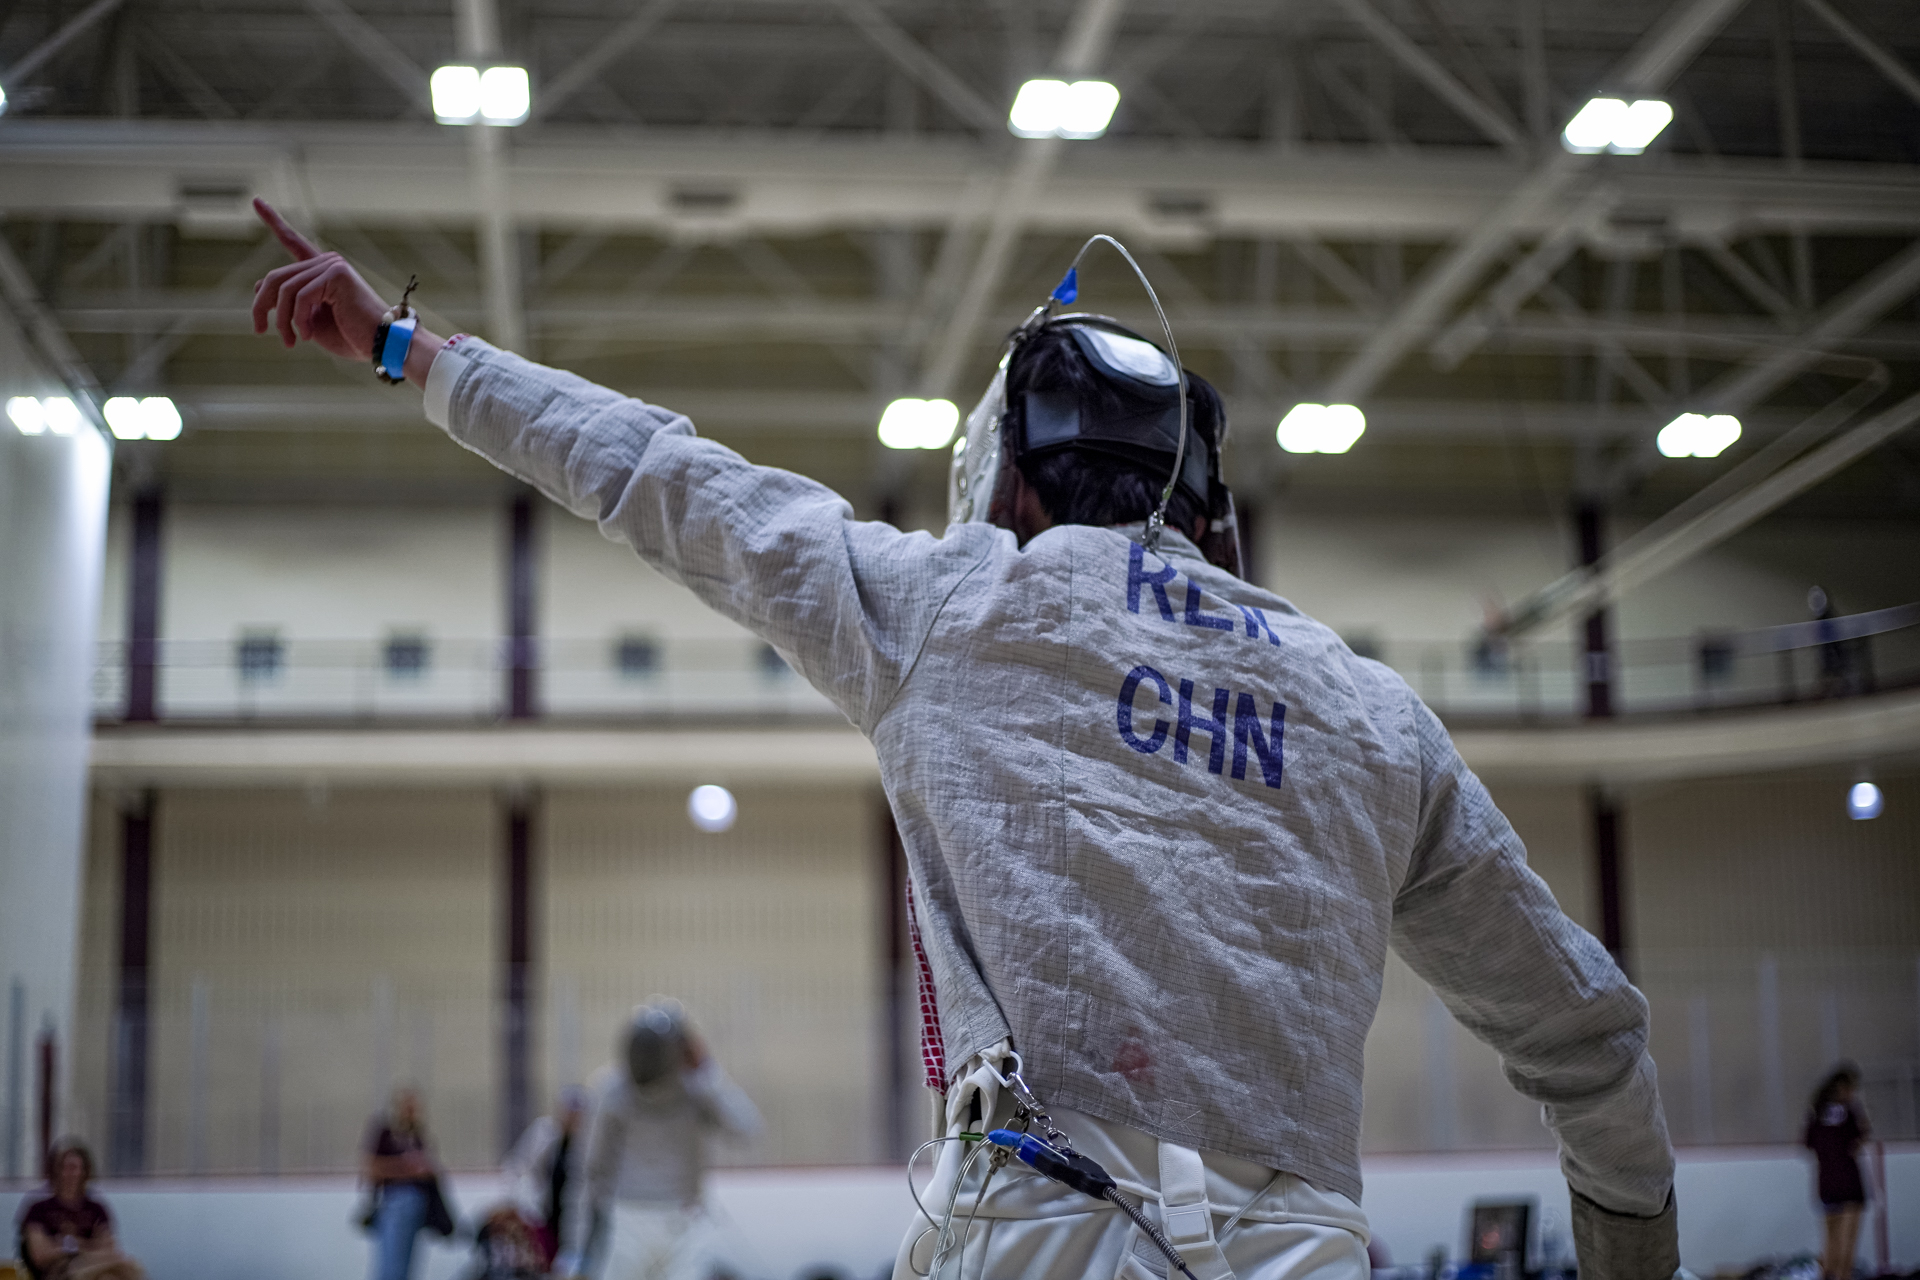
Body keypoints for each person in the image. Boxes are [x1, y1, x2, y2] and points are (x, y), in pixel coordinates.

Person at [246, 201, 1681, 1280]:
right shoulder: (1374, 715)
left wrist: (405, 346)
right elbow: (1594, 1047)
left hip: (1040, 1232)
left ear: (1005, 478)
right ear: (1199, 496)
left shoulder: (949, 604)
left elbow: (658, 473)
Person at [556, 1003, 761, 1280]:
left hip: (682, 1223)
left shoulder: (696, 1088)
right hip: (629, 1220)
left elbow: (747, 1129)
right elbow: (588, 1170)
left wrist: (707, 1071)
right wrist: (575, 1248)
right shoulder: (613, 1090)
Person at [15, 1140, 143, 1280]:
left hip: (93, 1265)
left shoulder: (96, 1209)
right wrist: (87, 1247)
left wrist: (67, 1245)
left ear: (84, 1171)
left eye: (75, 1168)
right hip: (59, 1271)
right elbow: (40, 1255)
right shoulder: (38, 1210)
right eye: (65, 1167)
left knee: (111, 1276)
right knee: (122, 1267)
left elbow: (108, 1248)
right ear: (55, 1170)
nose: (70, 1174)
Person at [362, 1088, 455, 1280]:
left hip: (417, 1203)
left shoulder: (417, 1136)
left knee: (406, 1267)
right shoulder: (386, 1134)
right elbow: (372, 1169)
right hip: (396, 1202)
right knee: (391, 1266)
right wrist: (409, 1167)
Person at [502, 1086, 589, 1264]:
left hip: (578, 1221)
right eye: (569, 1111)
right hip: (547, 1217)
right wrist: (523, 1205)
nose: (572, 1117)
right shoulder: (545, 1133)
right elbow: (518, 1167)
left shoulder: (588, 1142)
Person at [1803, 1064, 1870, 1280]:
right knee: (1847, 1240)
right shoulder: (1849, 1111)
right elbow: (1859, 1138)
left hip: (1826, 1182)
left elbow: (1808, 1143)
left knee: (1830, 1240)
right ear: (1844, 1088)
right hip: (1849, 1182)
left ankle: (1827, 1274)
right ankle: (1843, 1276)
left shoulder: (1816, 1111)